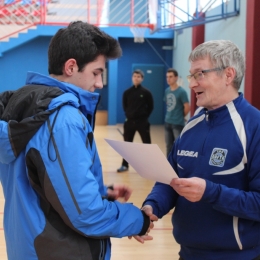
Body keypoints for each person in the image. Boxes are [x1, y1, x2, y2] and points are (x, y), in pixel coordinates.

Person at [0, 21, 154, 260]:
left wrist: (101, 192)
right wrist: (136, 220)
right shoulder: (63, 119)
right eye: (97, 72)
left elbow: (43, 185)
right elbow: (85, 214)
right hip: (58, 250)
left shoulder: (25, 104)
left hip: (28, 244)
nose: (100, 83)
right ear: (71, 66)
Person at [141, 40, 260, 260]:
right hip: (187, 254)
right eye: (191, 76)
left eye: (200, 74)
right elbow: (170, 180)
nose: (192, 84)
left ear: (228, 75)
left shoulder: (254, 127)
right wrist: (152, 206)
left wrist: (210, 192)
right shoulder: (192, 125)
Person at [117, 69, 154, 172]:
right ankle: (125, 165)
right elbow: (125, 107)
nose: (136, 78)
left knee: (147, 144)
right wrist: (130, 115)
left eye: (138, 76)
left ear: (142, 79)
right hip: (129, 122)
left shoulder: (146, 92)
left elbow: (151, 107)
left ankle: (150, 166)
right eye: (134, 76)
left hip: (142, 122)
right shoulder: (127, 92)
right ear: (132, 78)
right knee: (127, 145)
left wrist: (143, 117)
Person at [164, 68, 190, 156]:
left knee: (179, 146)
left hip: (178, 123)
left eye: (170, 76)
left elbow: (187, 107)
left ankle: (178, 166)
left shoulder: (182, 92)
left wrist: (180, 116)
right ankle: (168, 165)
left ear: (176, 78)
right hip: (168, 122)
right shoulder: (167, 91)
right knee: (168, 146)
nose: (168, 79)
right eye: (167, 77)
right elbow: (168, 103)